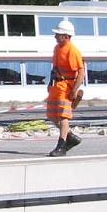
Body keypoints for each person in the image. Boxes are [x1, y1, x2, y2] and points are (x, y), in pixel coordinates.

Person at [46, 20, 85, 157]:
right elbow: (55, 68)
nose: (55, 36)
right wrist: (50, 83)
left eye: (58, 34)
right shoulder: (57, 49)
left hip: (67, 87)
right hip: (56, 86)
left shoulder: (72, 51)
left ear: (66, 36)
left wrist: (74, 91)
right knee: (51, 115)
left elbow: (81, 72)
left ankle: (61, 146)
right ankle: (70, 137)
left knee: (63, 117)